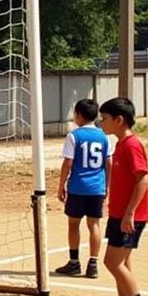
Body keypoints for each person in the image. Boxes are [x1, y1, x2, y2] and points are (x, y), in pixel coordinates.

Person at [97, 97, 148, 296]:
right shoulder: (120, 144)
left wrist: (130, 213)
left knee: (112, 262)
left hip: (130, 216)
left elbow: (143, 178)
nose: (101, 123)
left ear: (119, 120)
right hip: (119, 214)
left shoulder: (131, 145)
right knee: (123, 262)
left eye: (105, 118)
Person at [53, 99, 112, 279]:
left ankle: (74, 262)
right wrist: (108, 185)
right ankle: (93, 263)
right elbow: (109, 163)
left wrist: (61, 185)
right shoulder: (104, 137)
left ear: (79, 115)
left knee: (73, 224)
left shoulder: (74, 136)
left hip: (78, 187)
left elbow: (67, 163)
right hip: (97, 188)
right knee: (94, 224)